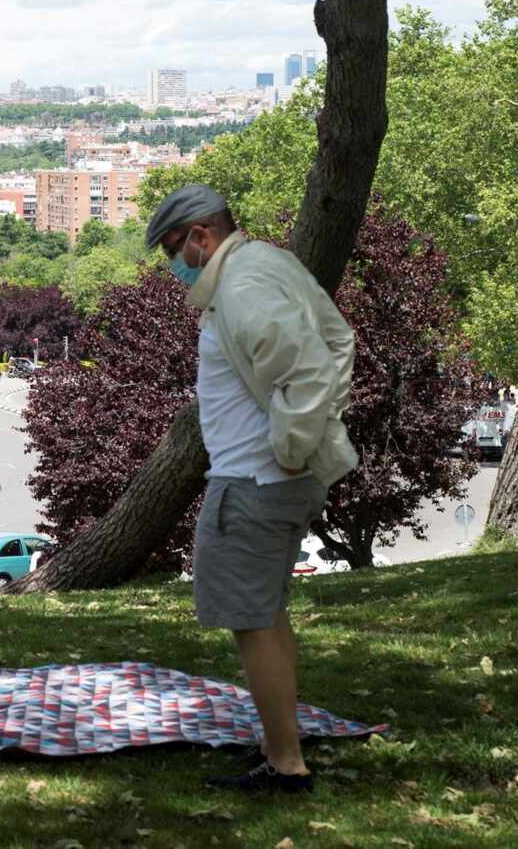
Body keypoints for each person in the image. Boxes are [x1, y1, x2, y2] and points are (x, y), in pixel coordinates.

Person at [145, 184, 358, 795]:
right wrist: (308, 441)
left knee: (252, 621)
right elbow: (337, 339)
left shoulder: (240, 288)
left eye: (172, 251)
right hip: (267, 479)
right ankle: (278, 745)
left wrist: (292, 448)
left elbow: (311, 370)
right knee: (267, 615)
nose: (173, 266)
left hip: (254, 483)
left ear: (201, 238)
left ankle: (286, 763)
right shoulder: (266, 264)